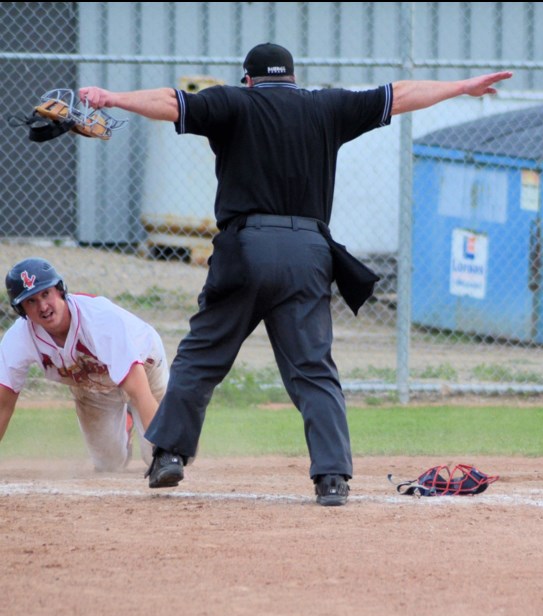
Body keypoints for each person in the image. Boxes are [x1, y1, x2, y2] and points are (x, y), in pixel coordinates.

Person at [78, 43, 512, 505]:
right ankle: (332, 479)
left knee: (201, 359)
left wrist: (113, 97)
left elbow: (171, 102)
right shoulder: (326, 105)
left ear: (249, 79)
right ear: (292, 77)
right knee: (312, 370)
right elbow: (400, 94)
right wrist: (461, 87)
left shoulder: (232, 101)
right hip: (308, 253)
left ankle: (168, 456)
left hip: (244, 250)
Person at [0, 258, 168, 471]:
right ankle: (125, 424)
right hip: (92, 385)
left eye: (45, 294)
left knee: (172, 455)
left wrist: (165, 453)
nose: (43, 306)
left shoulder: (99, 320)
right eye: (31, 301)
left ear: (60, 290)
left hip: (144, 367)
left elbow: (139, 392)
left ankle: (163, 432)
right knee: (109, 465)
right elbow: (2, 405)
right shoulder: (19, 339)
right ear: (21, 309)